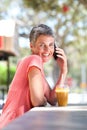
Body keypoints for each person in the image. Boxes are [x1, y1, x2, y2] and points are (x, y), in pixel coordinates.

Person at [0, 24, 67, 129]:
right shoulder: (34, 60)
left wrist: (63, 71)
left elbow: (52, 99)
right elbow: (37, 101)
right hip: (14, 124)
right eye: (42, 45)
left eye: (51, 45)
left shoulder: (31, 64)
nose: (47, 50)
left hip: (14, 124)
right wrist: (42, 99)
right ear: (32, 46)